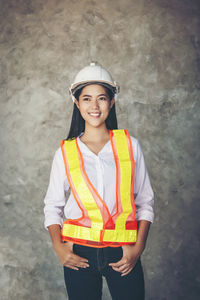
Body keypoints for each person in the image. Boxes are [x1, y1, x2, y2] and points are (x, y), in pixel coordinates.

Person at [44, 62, 154, 300]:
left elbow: (145, 202)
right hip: (79, 254)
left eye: (102, 98)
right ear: (76, 102)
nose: (94, 106)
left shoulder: (130, 146)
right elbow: (52, 206)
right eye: (86, 99)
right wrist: (59, 248)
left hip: (123, 253)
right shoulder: (65, 152)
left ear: (112, 102)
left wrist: (138, 249)